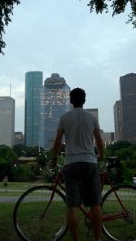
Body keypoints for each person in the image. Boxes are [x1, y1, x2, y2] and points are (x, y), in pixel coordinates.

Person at [51, 87, 105, 241]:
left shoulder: (64, 118)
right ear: (84, 100)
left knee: (72, 205)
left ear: (70, 101)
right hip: (89, 162)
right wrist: (101, 156)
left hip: (71, 163)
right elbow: (99, 140)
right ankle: (97, 239)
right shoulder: (91, 117)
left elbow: (57, 141)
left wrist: (54, 159)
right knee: (95, 204)